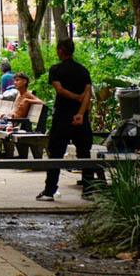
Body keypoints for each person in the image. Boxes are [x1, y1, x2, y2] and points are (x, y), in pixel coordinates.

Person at [38, 38, 97, 201]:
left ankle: (50, 191)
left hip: (62, 117)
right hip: (80, 118)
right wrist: (80, 113)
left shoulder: (56, 69)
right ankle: (88, 189)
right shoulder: (83, 71)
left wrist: (75, 97)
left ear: (60, 51)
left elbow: (60, 90)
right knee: (84, 153)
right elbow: (88, 95)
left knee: (56, 153)